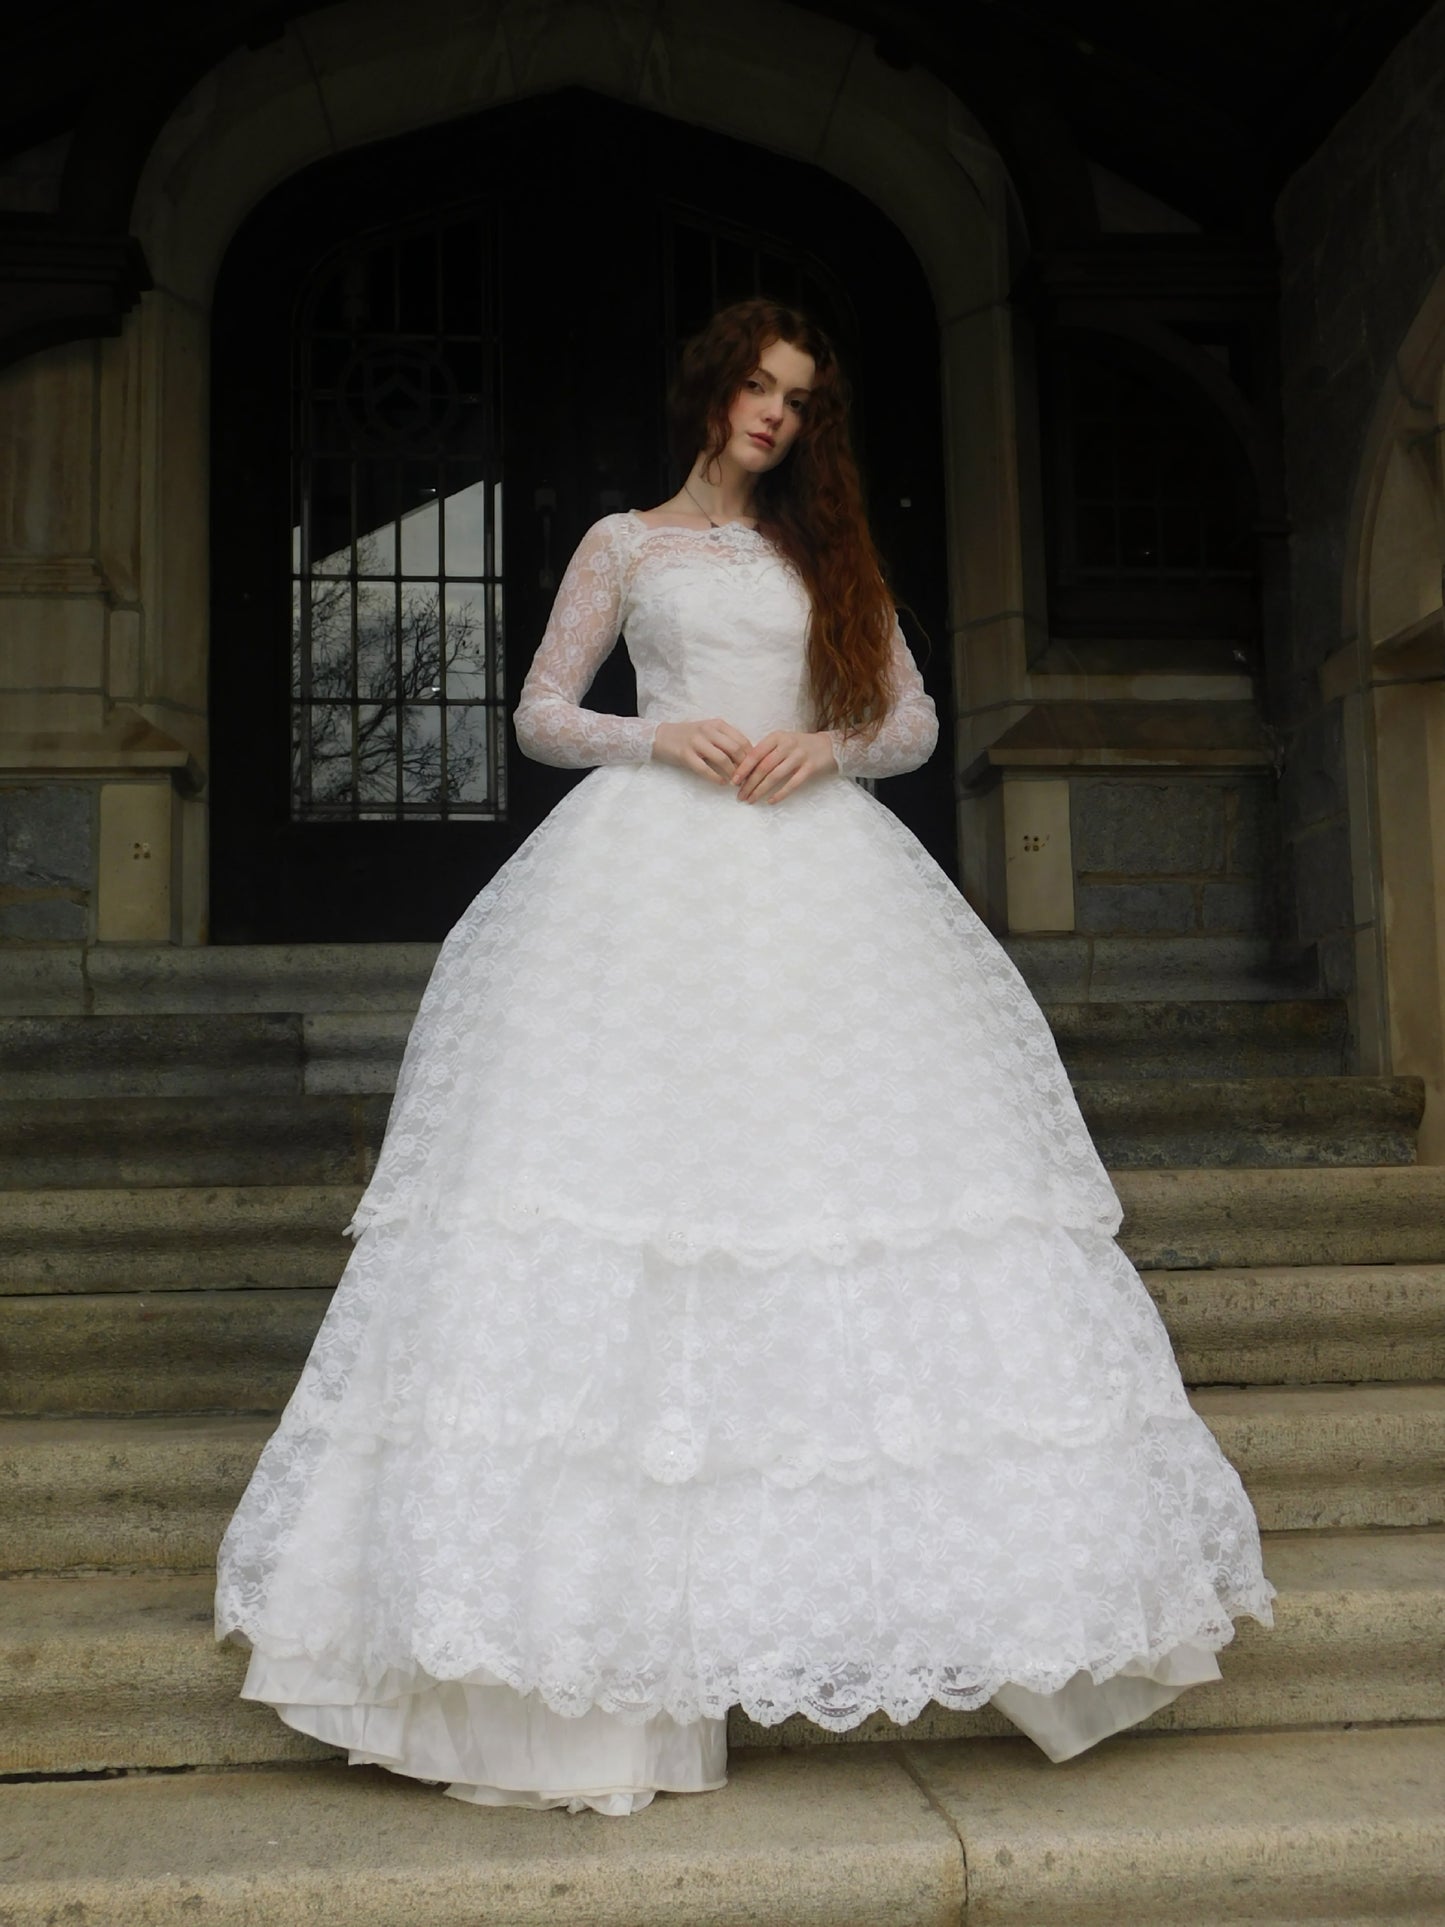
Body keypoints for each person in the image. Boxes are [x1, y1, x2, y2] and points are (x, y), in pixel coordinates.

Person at [215, 296, 1274, 1815]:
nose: (775, 415)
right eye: (757, 390)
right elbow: (536, 714)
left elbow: (910, 721)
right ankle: (583, 1663)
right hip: (643, 876)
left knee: (848, 1187)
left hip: (819, 874)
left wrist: (820, 748)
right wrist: (668, 739)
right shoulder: (622, 545)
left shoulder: (823, 554)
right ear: (708, 394)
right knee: (628, 1190)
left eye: (799, 398)